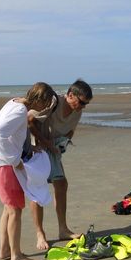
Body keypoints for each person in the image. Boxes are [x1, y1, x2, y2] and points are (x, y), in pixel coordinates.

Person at [0, 82, 57, 260]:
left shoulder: (15, 103)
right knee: (15, 209)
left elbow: (10, 133)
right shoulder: (19, 111)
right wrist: (14, 159)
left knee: (8, 208)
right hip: (3, 165)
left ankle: (5, 250)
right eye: (47, 103)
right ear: (39, 100)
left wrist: (28, 148)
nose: (46, 108)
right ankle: (16, 257)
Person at [29, 79, 93, 250]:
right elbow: (30, 121)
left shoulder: (77, 111)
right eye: (81, 102)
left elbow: (71, 130)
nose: (82, 107)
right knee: (39, 190)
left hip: (54, 150)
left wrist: (63, 143)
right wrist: (45, 143)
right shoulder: (53, 103)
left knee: (61, 184)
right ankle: (40, 233)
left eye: (85, 104)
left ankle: (63, 229)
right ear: (70, 95)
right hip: (37, 148)